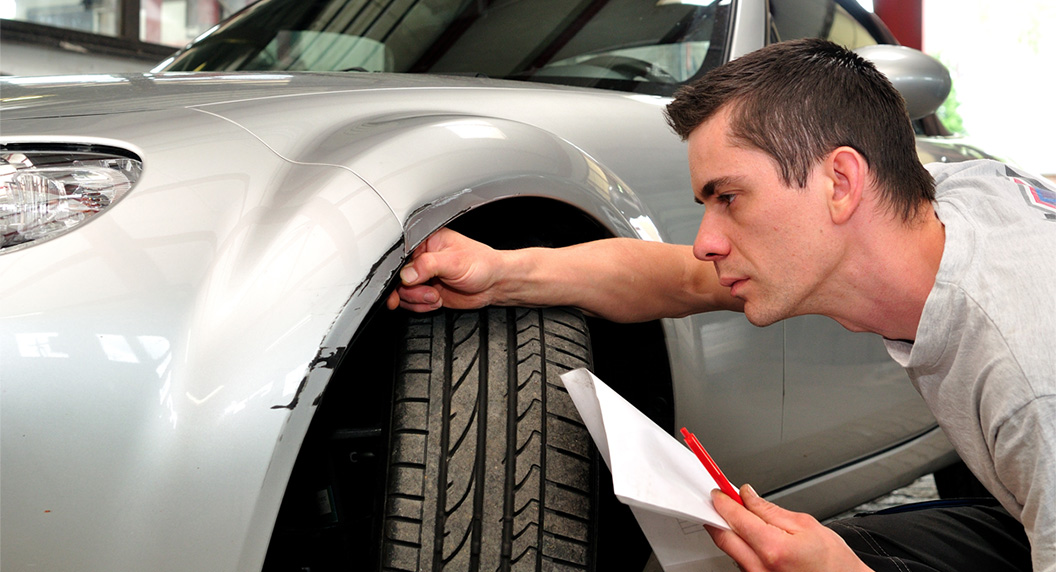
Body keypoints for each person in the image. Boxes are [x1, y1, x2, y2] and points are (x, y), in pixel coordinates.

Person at [387, 38, 1055, 572]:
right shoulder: (937, 200)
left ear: (841, 182)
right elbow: (677, 280)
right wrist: (501, 273)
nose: (705, 241)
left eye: (729, 197)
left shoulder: (1029, 380)